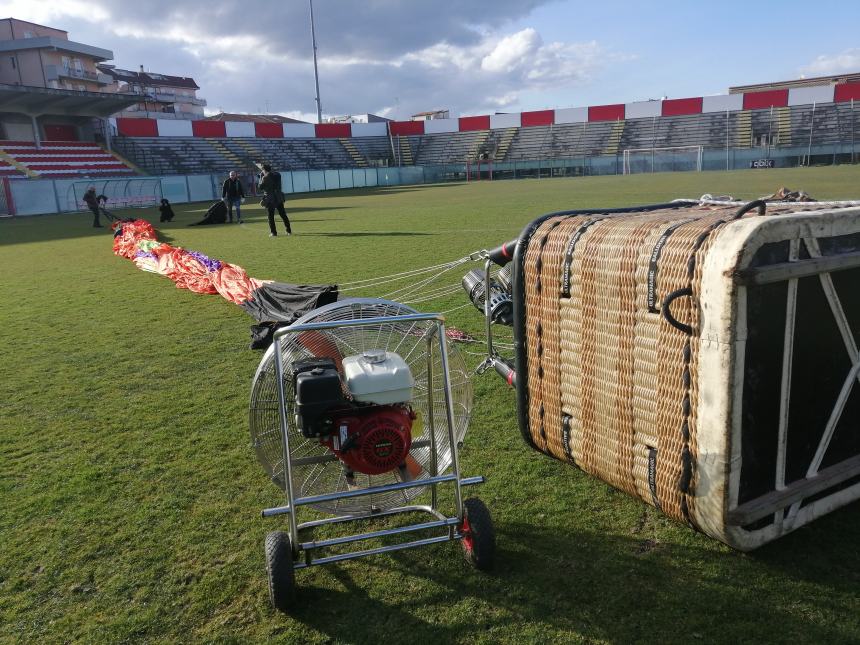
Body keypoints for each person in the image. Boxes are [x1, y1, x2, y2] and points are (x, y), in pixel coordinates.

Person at [258, 163, 291, 237]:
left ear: (264, 170)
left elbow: (260, 187)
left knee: (270, 216)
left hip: (270, 198)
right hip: (278, 197)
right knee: (283, 214)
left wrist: (260, 177)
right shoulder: (277, 175)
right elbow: (275, 174)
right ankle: (288, 230)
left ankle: (273, 232)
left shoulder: (264, 178)